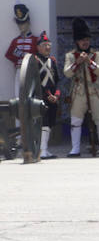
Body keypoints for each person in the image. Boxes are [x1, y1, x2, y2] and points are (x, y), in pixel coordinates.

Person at [64, 18, 99, 157]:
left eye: (87, 39)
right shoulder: (70, 56)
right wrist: (77, 63)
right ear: (77, 41)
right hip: (78, 92)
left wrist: (89, 62)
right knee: (76, 120)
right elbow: (67, 73)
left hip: (94, 91)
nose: (85, 42)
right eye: (82, 40)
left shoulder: (97, 55)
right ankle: (75, 149)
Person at [17, 33, 60, 161]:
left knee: (50, 123)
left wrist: (56, 95)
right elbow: (34, 82)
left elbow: (56, 81)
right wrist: (48, 95)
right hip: (40, 97)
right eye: (44, 45)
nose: (47, 47)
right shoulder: (34, 61)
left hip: (52, 98)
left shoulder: (52, 61)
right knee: (43, 123)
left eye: (48, 45)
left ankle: (45, 149)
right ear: (38, 47)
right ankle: (42, 150)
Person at [6, 3, 40, 82]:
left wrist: (27, 56)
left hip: (31, 70)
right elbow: (8, 55)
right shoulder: (15, 41)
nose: (20, 26)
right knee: (18, 93)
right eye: (19, 23)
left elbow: (40, 56)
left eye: (23, 23)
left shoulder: (35, 40)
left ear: (28, 22)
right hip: (19, 70)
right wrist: (17, 57)